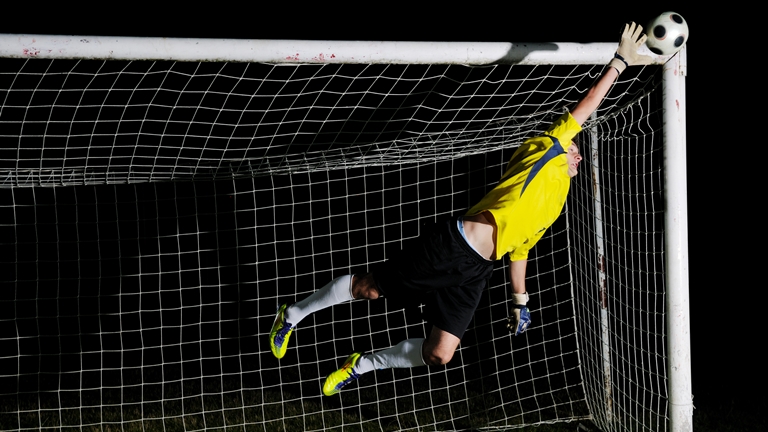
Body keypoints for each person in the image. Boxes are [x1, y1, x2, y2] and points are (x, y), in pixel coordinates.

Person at [269, 23, 652, 396]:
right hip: (451, 245)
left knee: (440, 353)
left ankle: (362, 364)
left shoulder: (557, 198)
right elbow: (586, 107)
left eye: (577, 150)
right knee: (369, 289)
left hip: (477, 270)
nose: (577, 151)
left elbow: (520, 251)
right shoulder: (547, 149)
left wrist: (520, 301)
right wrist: (620, 62)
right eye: (573, 143)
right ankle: (293, 315)